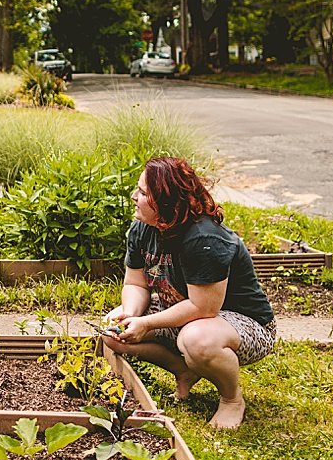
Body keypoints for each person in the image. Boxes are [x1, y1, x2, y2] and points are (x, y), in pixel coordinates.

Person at [100, 156, 276, 430]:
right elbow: (135, 284)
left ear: (165, 203)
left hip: (244, 324)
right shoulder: (142, 228)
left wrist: (146, 323)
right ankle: (185, 372)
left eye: (143, 193)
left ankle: (231, 400)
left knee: (196, 340)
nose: (134, 196)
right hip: (189, 313)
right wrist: (131, 314)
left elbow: (204, 308)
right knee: (113, 330)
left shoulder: (203, 239)